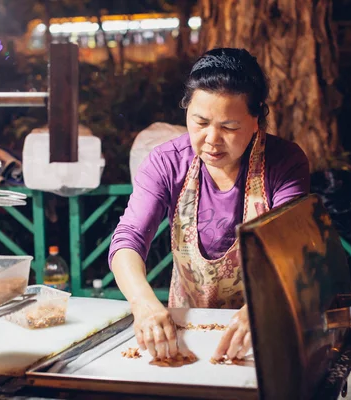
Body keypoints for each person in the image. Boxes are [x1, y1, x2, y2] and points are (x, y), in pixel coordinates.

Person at [109, 48, 310, 362]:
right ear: (187, 110)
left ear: (256, 120)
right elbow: (128, 238)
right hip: (191, 328)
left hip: (270, 319)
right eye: (200, 122)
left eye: (229, 127)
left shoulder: (284, 163)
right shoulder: (166, 163)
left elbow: (295, 247)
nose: (212, 140)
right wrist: (144, 304)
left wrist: (261, 307)